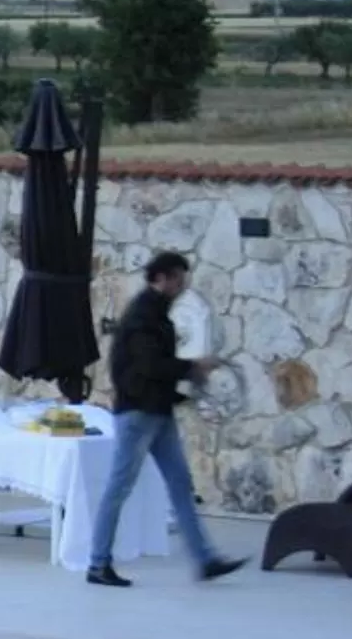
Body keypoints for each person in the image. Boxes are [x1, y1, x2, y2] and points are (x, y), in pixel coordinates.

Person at [89, 250, 245, 587]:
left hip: (156, 413)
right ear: (159, 278)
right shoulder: (144, 316)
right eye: (176, 277)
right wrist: (194, 367)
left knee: (179, 485)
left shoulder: (157, 315)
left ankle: (205, 559)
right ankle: (98, 563)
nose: (181, 283)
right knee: (119, 487)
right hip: (138, 414)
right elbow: (148, 367)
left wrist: (182, 391)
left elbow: (152, 370)